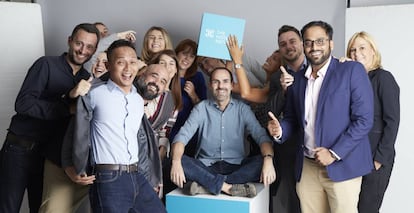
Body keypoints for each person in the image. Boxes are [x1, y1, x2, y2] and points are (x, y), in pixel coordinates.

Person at [267, 21, 374, 213]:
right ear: (303, 46)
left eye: (320, 41)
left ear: (331, 44)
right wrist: (280, 130)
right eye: (308, 42)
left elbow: (364, 120)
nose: (314, 47)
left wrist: (333, 153)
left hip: (343, 165)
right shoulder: (298, 79)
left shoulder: (351, 71)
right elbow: (292, 118)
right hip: (307, 167)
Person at [0, 23, 99, 213]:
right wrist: (67, 101)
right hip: (19, 150)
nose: (83, 50)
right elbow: (23, 104)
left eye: (89, 47)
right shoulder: (45, 64)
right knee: (8, 208)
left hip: (48, 159)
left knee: (40, 209)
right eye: (79, 43)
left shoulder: (87, 79)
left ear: (94, 49)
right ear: (69, 41)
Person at [69, 39, 166, 212]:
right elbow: (75, 132)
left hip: (136, 174)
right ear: (108, 65)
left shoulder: (137, 99)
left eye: (132, 62)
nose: (128, 69)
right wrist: (75, 166)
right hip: (108, 176)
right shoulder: (94, 94)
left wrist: (150, 176)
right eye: (121, 62)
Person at [170, 67, 276, 198]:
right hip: (206, 166)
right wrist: (175, 161)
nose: (221, 86)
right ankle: (229, 187)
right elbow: (182, 136)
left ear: (232, 85)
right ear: (210, 85)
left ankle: (206, 186)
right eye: (216, 81)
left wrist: (268, 159)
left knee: (264, 161)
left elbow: (261, 137)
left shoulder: (243, 109)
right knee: (179, 160)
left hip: (236, 167)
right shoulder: (201, 108)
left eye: (225, 81)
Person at [346, 31, 400, 213]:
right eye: (352, 50)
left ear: (373, 52)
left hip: (375, 157)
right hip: (353, 157)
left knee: (366, 209)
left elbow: (392, 122)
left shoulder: (383, 78)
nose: (356, 54)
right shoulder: (351, 81)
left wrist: (379, 159)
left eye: (362, 48)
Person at [268, 25, 307, 213]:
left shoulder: (319, 67)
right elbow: (271, 112)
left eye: (292, 41)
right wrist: (283, 91)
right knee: (295, 197)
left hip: (321, 145)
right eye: (282, 44)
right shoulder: (276, 77)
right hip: (290, 147)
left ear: (301, 42)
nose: (288, 46)